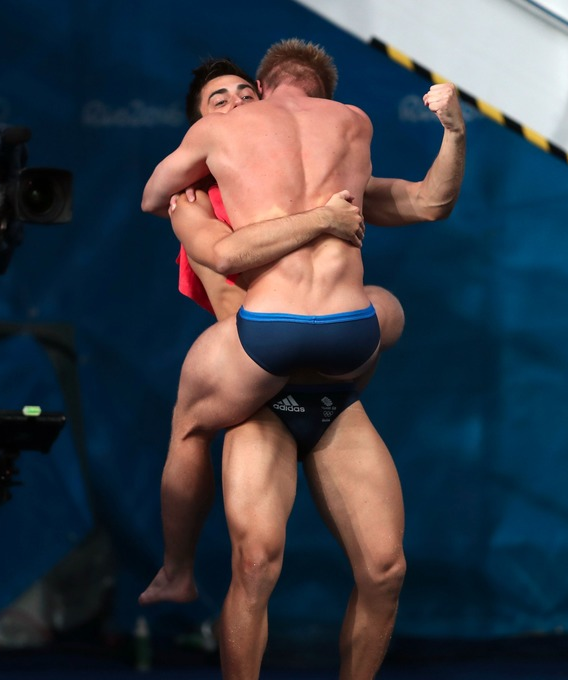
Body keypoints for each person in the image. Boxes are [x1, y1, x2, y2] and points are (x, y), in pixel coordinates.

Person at [142, 46, 465, 678]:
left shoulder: (321, 173)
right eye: (219, 101)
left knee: (386, 568)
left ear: (265, 96)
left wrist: (453, 133)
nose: (236, 105)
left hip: (331, 388)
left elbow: (429, 203)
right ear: (200, 129)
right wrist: (321, 220)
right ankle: (175, 568)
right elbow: (228, 254)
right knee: (255, 559)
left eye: (243, 95)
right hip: (256, 392)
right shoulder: (196, 199)